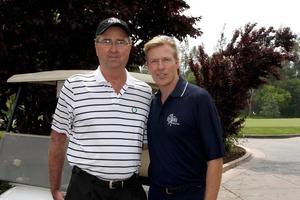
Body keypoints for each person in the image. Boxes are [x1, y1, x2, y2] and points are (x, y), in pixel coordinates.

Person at [48, 17, 152, 200]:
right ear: (96, 46)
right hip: (85, 191)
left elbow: (146, 143)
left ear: (129, 47)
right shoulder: (73, 87)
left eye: (121, 42)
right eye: (106, 41)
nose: (113, 49)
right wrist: (55, 189)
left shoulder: (144, 93)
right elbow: (57, 139)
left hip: (130, 192)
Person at [143, 35, 225, 200]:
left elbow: (215, 159)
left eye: (166, 60)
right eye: (154, 61)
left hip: (191, 194)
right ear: (148, 66)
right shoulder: (151, 104)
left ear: (177, 62)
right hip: (156, 194)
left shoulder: (198, 99)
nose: (160, 67)